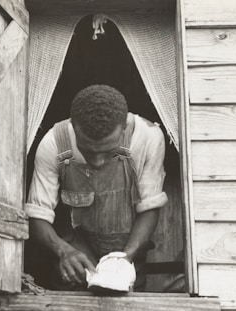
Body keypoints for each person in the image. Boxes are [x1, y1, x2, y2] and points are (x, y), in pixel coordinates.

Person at [26, 85, 168, 291]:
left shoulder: (148, 137)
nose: (98, 162)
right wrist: (63, 250)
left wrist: (126, 258)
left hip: (129, 247)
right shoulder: (53, 143)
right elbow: (38, 216)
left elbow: (150, 206)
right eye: (88, 151)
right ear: (73, 126)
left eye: (108, 152)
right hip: (76, 246)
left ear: (124, 128)